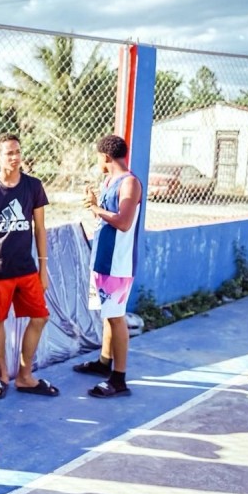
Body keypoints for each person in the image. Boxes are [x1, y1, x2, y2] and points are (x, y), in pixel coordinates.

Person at [0, 133, 58, 399]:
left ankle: (24, 375)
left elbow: (40, 229)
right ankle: (2, 376)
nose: (15, 157)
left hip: (26, 269)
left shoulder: (33, 186)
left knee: (40, 316)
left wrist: (43, 269)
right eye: (9, 153)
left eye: (18, 151)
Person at [77, 134, 142, 398]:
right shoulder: (108, 181)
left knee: (116, 317)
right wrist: (95, 205)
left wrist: (96, 208)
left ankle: (119, 378)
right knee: (107, 314)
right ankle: (104, 362)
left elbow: (124, 223)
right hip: (103, 258)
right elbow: (106, 215)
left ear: (105, 156)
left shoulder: (129, 183)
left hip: (118, 263)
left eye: (98, 157)